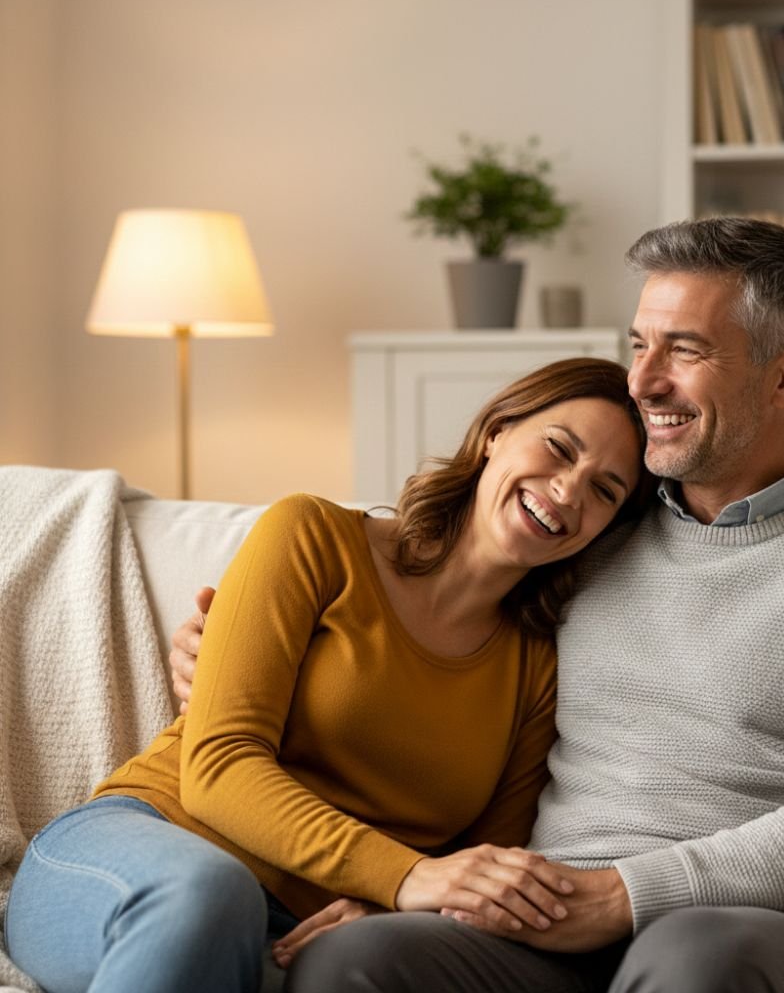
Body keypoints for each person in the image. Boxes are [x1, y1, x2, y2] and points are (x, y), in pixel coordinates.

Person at [173, 217, 784, 993]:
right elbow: (428, 638)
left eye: (685, 350)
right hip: (547, 914)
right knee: (357, 961)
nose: (643, 381)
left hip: (751, 925)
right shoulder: (588, 530)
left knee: (697, 959)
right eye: (639, 344)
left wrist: (624, 895)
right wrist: (237, 648)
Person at [3, 358, 654, 993]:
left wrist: (391, 902)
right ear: (496, 433)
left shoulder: (538, 669)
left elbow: (477, 869)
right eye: (559, 448)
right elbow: (218, 764)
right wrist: (405, 876)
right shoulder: (313, 535)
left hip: (302, 931)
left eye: (605, 490)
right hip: (133, 851)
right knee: (211, 893)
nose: (569, 491)